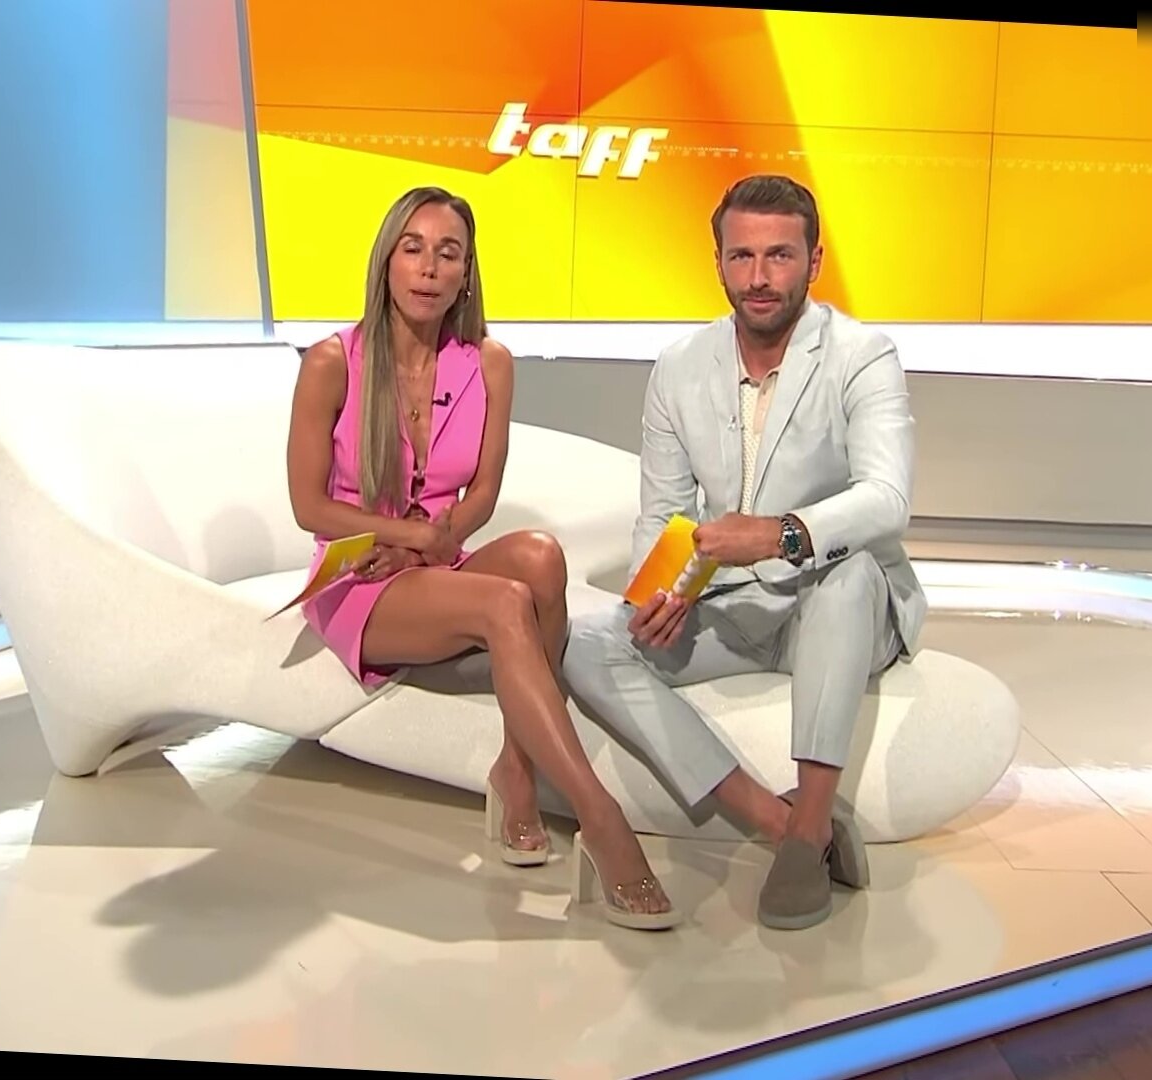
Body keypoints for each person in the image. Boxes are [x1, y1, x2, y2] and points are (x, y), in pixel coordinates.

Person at [286, 186, 681, 931]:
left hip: (436, 560)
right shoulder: (333, 362)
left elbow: (484, 492)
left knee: (539, 559)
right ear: (386, 260)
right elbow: (310, 506)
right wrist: (404, 538)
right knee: (505, 602)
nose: (429, 268)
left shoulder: (489, 362)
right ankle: (600, 818)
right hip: (358, 580)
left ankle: (515, 769)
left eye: (449, 253)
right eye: (413, 249)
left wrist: (438, 538)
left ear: (466, 272)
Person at [563, 175, 927, 931]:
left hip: (839, 601)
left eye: (779, 256)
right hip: (733, 604)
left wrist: (778, 533)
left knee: (850, 571)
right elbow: (664, 513)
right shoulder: (680, 365)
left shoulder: (863, 355)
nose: (759, 277)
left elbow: (886, 498)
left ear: (814, 261)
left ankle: (811, 821)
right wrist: (661, 592)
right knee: (588, 645)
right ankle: (781, 824)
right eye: (742, 257)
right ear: (719, 262)